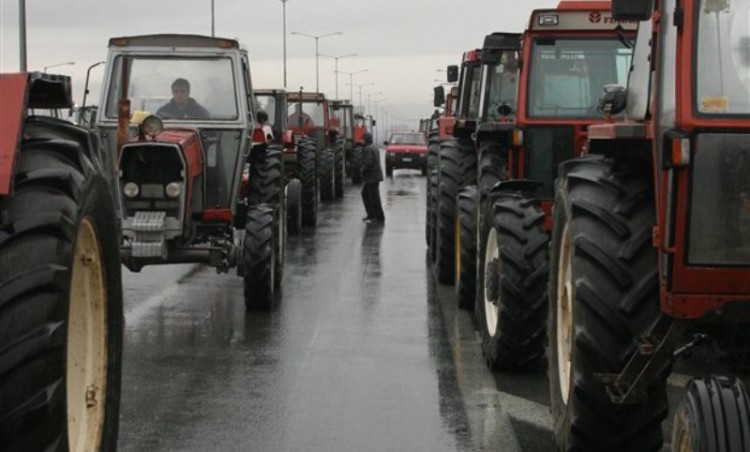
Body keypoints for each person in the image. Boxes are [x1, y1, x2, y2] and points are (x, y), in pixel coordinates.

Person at [360, 132, 385, 223]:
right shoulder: (374, 147)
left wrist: (361, 170)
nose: (361, 140)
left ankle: (376, 216)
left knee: (372, 197)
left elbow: (368, 163)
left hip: (371, 178)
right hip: (374, 177)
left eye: (362, 139)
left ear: (366, 140)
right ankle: (374, 215)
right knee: (368, 195)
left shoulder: (367, 149)